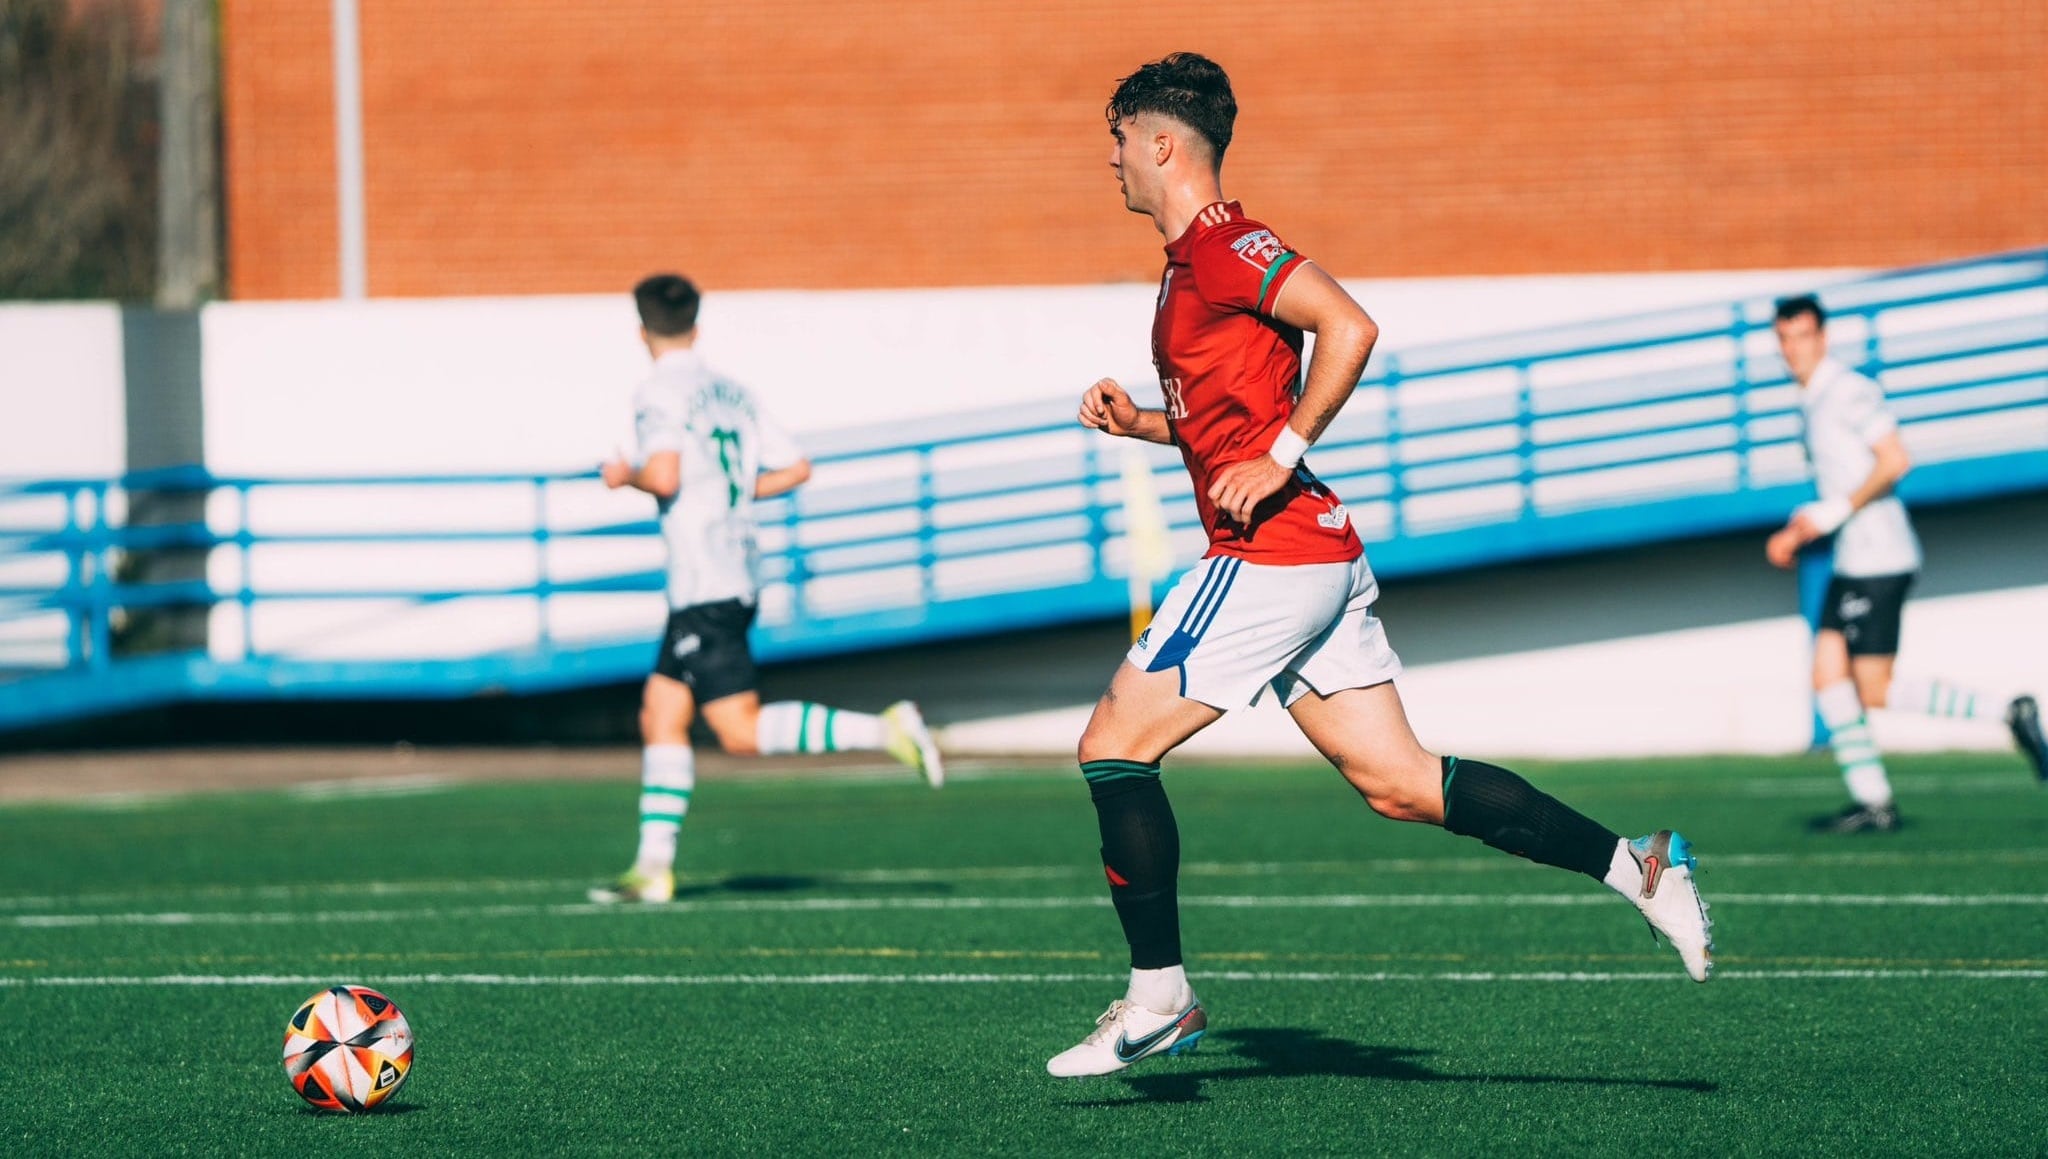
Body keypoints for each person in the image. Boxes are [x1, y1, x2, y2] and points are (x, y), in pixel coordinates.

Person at [1045, 53, 1715, 1079]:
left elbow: (1349, 326)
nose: (1110, 160)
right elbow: (1229, 423)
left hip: (1269, 556)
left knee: (1112, 746)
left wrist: (1281, 455)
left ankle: (1158, 997)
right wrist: (1142, 422)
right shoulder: (1189, 267)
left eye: (1119, 138)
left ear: (1161, 143)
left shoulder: (1225, 242)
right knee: (1401, 784)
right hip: (1306, 555)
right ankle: (1640, 866)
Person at [589, 274, 944, 905]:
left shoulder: (657, 392)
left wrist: (626, 476)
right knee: (661, 715)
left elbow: (664, 473)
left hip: (703, 579)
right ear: (695, 326)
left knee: (739, 732)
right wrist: (724, 494)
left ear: (642, 331)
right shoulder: (731, 392)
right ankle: (652, 867)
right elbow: (796, 467)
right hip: (734, 569)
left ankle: (885, 729)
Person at [1764, 294, 2045, 833]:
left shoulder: (1847, 391)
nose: (1792, 348)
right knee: (1827, 674)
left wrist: (1836, 511)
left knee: (1873, 687)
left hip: (1879, 557)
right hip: (1853, 557)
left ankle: (2009, 710)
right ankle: (1874, 802)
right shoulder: (1812, 400)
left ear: (1822, 337)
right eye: (1784, 337)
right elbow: (1838, 490)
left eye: (1801, 336)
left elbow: (1895, 459)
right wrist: (1800, 529)